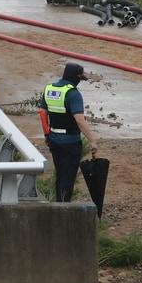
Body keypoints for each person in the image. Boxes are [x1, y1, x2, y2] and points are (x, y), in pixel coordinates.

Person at [39, 62, 100, 203]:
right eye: (80, 78)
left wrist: (47, 134)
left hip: (54, 139)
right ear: (75, 77)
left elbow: (42, 113)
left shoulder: (49, 89)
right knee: (68, 177)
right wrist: (92, 140)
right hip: (71, 142)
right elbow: (79, 120)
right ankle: (64, 208)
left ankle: (58, 203)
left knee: (60, 174)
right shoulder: (73, 93)